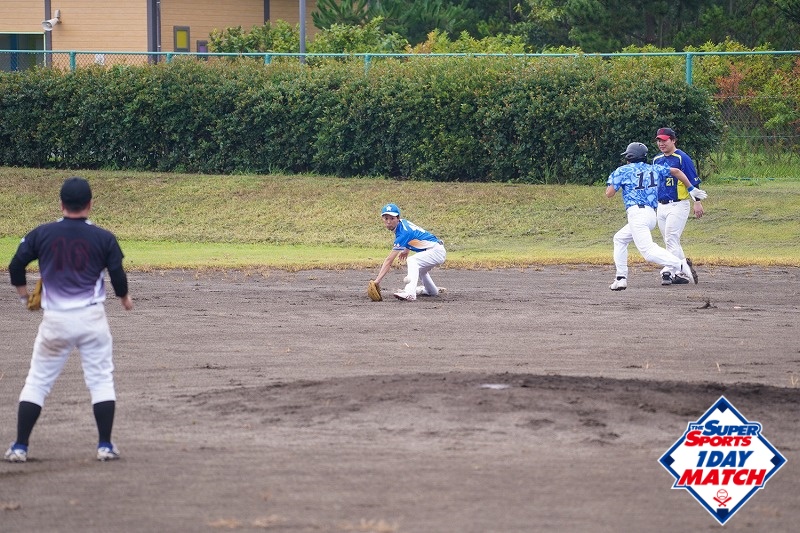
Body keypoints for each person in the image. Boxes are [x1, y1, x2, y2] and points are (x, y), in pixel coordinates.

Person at [5, 177, 134, 463]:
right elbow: (117, 273)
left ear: (61, 204)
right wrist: (124, 298)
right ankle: (105, 446)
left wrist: (24, 297)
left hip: (56, 320)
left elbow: (15, 265)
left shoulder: (42, 233)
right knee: (100, 380)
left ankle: (20, 447)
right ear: (90, 204)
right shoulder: (104, 237)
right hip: (91, 318)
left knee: (38, 381)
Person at [605, 142, 707, 291]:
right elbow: (676, 171)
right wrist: (691, 188)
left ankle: (680, 265)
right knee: (619, 238)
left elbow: (609, 193)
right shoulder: (654, 168)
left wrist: (616, 179)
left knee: (648, 252)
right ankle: (621, 278)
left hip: (637, 214)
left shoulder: (622, 170)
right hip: (651, 214)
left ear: (629, 157)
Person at [654, 127, 703, 286]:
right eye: (659, 140)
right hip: (661, 205)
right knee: (671, 241)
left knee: (671, 239)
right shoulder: (657, 159)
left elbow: (693, 181)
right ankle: (682, 272)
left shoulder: (682, 158)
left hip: (678, 205)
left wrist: (697, 201)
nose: (661, 143)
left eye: (664, 140)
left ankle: (667, 271)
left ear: (673, 140)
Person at [373, 203, 446, 301]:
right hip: (434, 250)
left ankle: (410, 293)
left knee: (412, 260)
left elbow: (389, 260)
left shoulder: (403, 233)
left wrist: (377, 281)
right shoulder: (403, 224)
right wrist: (406, 249)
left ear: (398, 218)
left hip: (436, 251)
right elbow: (412, 235)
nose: (389, 222)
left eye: (392, 218)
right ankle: (432, 291)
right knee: (421, 270)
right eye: (386, 218)